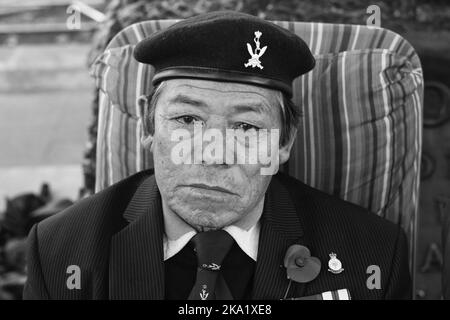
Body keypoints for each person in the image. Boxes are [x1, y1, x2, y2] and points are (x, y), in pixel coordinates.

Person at [23, 11, 411, 300]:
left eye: (246, 127)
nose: (214, 155)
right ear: (148, 126)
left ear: (284, 143)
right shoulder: (59, 249)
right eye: (188, 119)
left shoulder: (375, 252)